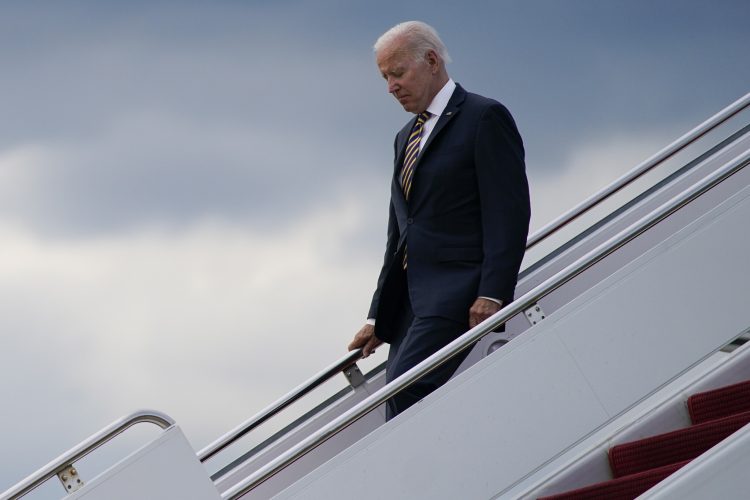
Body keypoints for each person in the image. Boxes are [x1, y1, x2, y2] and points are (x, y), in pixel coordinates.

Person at [348, 21, 530, 420]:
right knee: (395, 401)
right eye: (384, 77)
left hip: (457, 290)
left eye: (397, 73)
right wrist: (379, 314)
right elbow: (399, 232)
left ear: (431, 61)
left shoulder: (484, 117)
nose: (390, 87)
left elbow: (509, 211)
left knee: (407, 389)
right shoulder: (404, 137)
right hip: (412, 301)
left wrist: (494, 291)